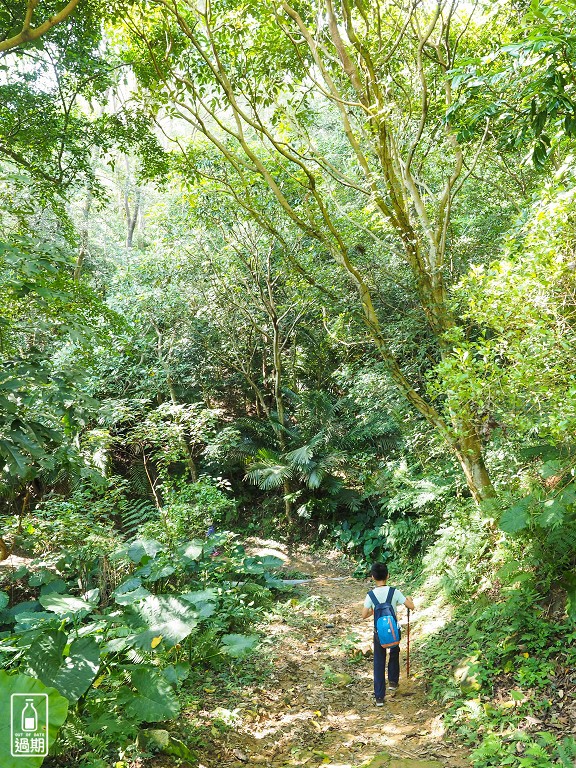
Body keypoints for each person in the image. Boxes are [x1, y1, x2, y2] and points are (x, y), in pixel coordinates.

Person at [361, 562, 415, 706]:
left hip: (378, 633)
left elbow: (364, 615)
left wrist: (374, 609)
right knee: (394, 652)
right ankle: (393, 682)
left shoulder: (370, 595)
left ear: (373, 577)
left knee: (379, 661)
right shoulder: (394, 592)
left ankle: (379, 697)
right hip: (394, 630)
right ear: (388, 576)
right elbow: (411, 606)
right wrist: (409, 599)